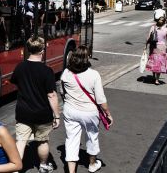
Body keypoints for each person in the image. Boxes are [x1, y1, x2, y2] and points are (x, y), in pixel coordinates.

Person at [10, 36, 60, 173]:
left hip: (23, 112)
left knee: (21, 141)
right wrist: (57, 116)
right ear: (42, 50)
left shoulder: (20, 67)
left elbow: (15, 82)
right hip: (42, 114)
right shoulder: (47, 71)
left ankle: (15, 169)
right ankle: (43, 165)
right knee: (42, 141)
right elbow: (52, 95)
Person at [60, 45, 112, 173]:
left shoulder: (66, 73)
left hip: (70, 110)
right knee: (92, 137)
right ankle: (92, 164)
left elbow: (62, 92)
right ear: (86, 58)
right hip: (89, 112)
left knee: (71, 140)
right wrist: (108, 114)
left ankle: (71, 171)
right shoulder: (94, 74)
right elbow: (100, 99)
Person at [145, 18, 167, 84]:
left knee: (154, 61)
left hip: (153, 46)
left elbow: (148, 38)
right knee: (159, 62)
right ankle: (157, 79)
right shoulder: (166, 30)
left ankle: (153, 75)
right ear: (164, 23)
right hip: (162, 47)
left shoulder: (153, 28)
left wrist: (145, 46)